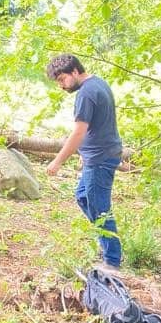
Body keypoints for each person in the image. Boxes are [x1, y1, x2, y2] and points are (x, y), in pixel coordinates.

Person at [45, 54, 124, 269]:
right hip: (99, 155)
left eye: (62, 79)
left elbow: (79, 132)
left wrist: (57, 162)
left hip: (101, 159)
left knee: (100, 209)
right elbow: (98, 124)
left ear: (74, 71)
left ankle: (112, 260)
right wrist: (84, 153)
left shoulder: (86, 93)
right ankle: (106, 243)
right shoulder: (98, 83)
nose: (61, 86)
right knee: (83, 197)